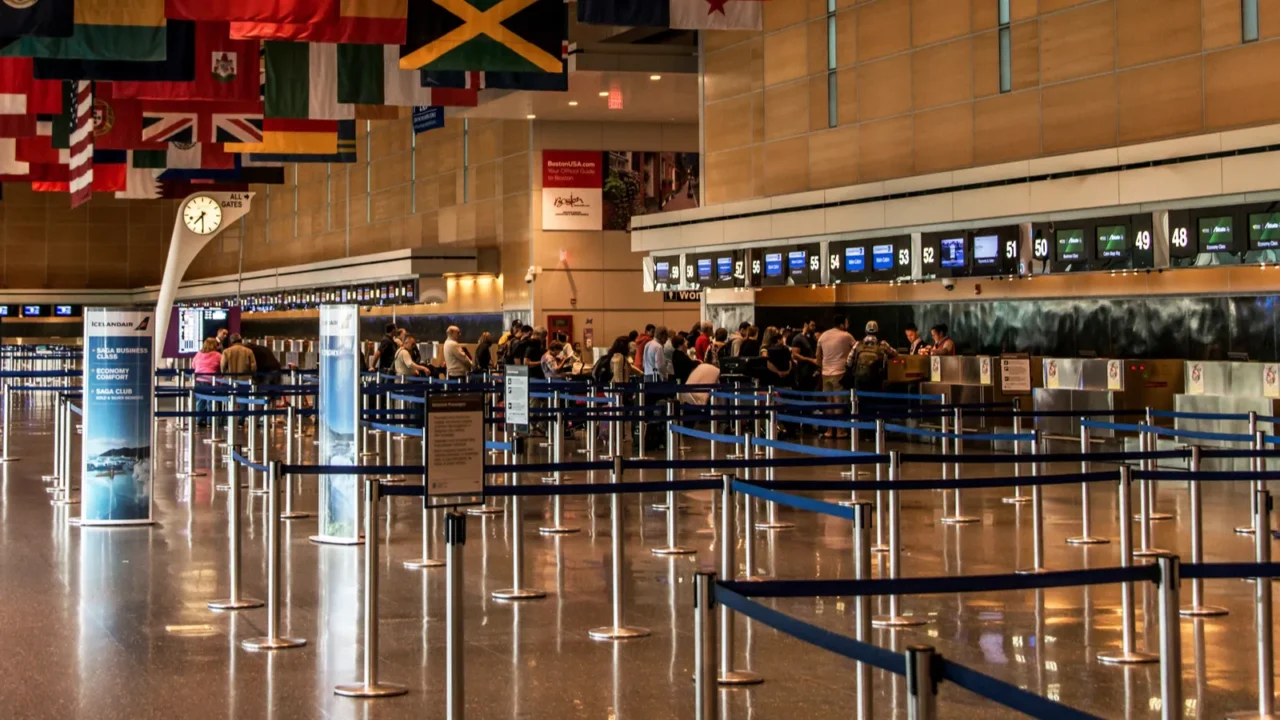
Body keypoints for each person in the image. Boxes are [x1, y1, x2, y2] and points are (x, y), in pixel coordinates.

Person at [816, 316, 855, 438]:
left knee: (828, 402)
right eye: (847, 322)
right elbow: (856, 349)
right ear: (842, 324)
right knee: (839, 402)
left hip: (825, 373)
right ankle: (839, 431)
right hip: (840, 372)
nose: (848, 325)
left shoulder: (823, 336)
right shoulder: (846, 336)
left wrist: (821, 367)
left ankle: (829, 430)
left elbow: (818, 355)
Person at [849, 321, 898, 394]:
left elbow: (849, 361)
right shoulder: (882, 344)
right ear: (877, 331)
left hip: (860, 379)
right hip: (875, 379)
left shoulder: (858, 344)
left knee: (860, 401)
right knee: (874, 400)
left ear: (866, 331)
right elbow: (895, 354)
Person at [192, 338, 221, 428]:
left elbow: (193, 365)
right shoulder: (217, 355)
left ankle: (199, 420)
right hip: (211, 381)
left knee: (200, 401)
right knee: (211, 401)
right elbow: (222, 366)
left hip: (199, 380)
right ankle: (210, 421)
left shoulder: (198, 354)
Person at [790, 320, 820, 390]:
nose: (814, 328)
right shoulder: (798, 338)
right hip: (803, 371)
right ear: (806, 325)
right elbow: (795, 355)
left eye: (814, 326)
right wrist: (810, 360)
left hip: (814, 370)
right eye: (812, 325)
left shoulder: (813, 338)